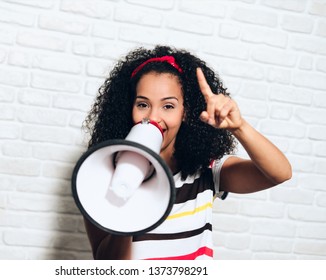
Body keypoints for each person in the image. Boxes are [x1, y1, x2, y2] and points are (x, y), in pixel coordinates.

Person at [81, 45, 292, 260]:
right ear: (129, 108)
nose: (153, 117)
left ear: (185, 112)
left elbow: (279, 173)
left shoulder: (206, 171)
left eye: (168, 106)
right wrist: (125, 202)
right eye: (143, 104)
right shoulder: (99, 175)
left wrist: (239, 127)